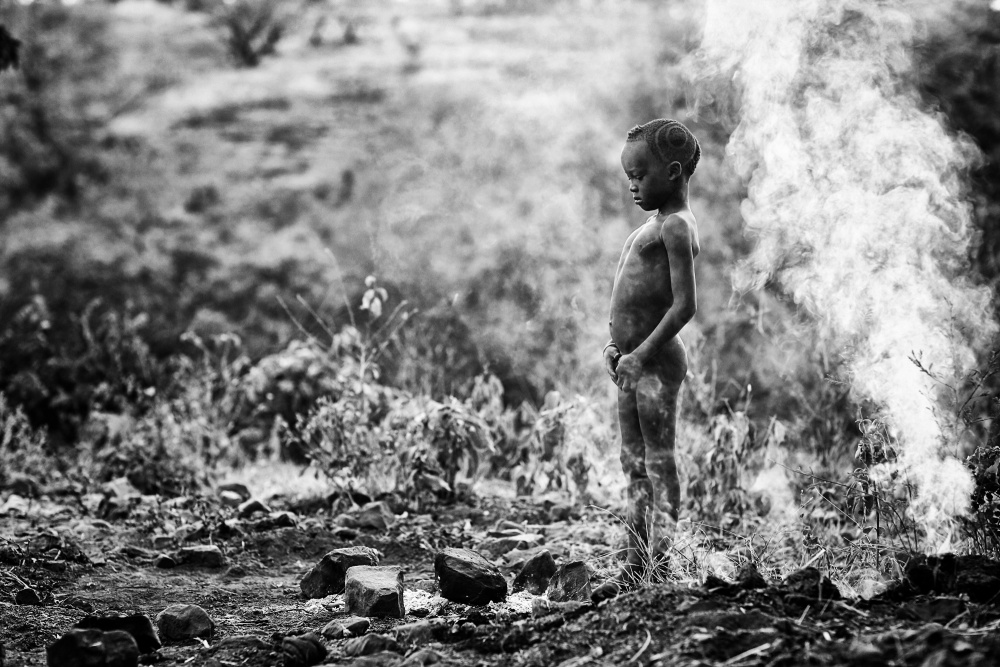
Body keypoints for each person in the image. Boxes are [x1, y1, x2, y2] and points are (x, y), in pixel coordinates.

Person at [593, 119, 701, 602]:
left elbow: (685, 306)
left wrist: (640, 355)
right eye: (629, 177)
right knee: (631, 461)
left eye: (639, 175)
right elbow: (630, 299)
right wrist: (616, 346)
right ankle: (636, 566)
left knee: (658, 461)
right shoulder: (652, 225)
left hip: (655, 363)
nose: (632, 185)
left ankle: (662, 564)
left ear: (673, 172)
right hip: (631, 362)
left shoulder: (676, 226)